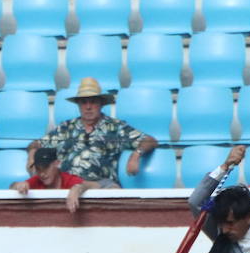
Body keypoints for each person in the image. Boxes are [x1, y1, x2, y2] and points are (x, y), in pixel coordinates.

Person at [28, 77, 157, 187]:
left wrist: (136, 155)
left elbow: (150, 140)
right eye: (84, 102)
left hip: (99, 184)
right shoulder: (66, 127)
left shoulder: (115, 127)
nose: (88, 107)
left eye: (93, 102)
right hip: (67, 184)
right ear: (78, 105)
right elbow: (37, 144)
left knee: (113, 191)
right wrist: (32, 154)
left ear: (101, 104)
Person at [10, 145, 97, 213]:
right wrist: (18, 185)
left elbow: (91, 185)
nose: (42, 174)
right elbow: (12, 186)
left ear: (56, 164)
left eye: (46, 168)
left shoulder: (67, 178)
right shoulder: (36, 180)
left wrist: (77, 189)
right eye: (38, 169)